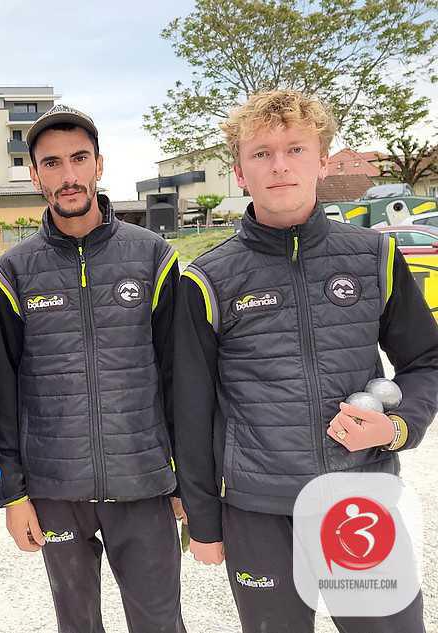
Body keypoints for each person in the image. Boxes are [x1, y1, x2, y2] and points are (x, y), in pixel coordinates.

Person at [173, 89, 438, 632]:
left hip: (358, 498)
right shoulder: (207, 279)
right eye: (261, 153)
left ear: (322, 159)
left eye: (295, 149)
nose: (279, 166)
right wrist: (203, 519)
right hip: (257, 513)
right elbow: (190, 409)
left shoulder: (375, 256)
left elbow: (426, 361)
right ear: (240, 172)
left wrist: (396, 427)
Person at [0, 104, 187, 633]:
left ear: (100, 165)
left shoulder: (152, 256)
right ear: (35, 176)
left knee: (161, 625)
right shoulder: (12, 270)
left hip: (143, 484)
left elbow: (178, 377)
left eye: (79, 159)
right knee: (76, 625)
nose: (68, 175)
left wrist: (185, 479)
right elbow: (5, 389)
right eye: (51, 163)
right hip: (56, 491)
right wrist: (14, 492)